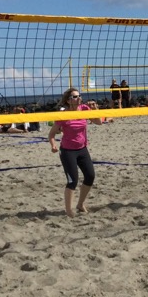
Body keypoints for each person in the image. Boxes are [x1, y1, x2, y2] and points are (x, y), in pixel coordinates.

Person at [48, 88, 102, 217]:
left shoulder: (84, 109)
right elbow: (51, 134)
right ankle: (68, 211)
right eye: (75, 96)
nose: (79, 98)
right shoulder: (63, 114)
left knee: (90, 176)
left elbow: (99, 122)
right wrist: (53, 145)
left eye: (79, 96)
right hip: (68, 151)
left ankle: (80, 204)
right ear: (68, 100)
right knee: (72, 181)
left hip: (82, 149)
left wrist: (94, 109)